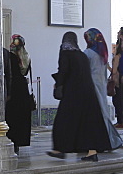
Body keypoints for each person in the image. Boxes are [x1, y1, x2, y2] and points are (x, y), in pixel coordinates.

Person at [47, 31, 115, 161]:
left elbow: (64, 71)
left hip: (73, 93)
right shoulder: (82, 55)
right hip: (89, 92)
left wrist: (58, 83)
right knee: (88, 122)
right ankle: (92, 151)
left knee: (63, 121)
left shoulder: (66, 53)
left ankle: (59, 149)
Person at [83, 28, 123, 151]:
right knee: (103, 112)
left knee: (93, 114)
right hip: (101, 85)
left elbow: (85, 71)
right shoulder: (103, 54)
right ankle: (109, 140)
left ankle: (97, 143)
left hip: (92, 86)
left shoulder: (88, 53)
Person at [3, 44, 33, 155]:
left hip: (14, 89)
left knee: (12, 117)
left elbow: (9, 73)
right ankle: (19, 142)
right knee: (21, 117)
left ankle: (13, 142)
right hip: (23, 89)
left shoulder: (10, 56)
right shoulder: (26, 56)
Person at [110, 27, 123, 128]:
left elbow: (117, 65)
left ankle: (121, 121)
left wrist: (112, 72)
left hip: (119, 77)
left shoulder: (120, 49)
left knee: (117, 99)